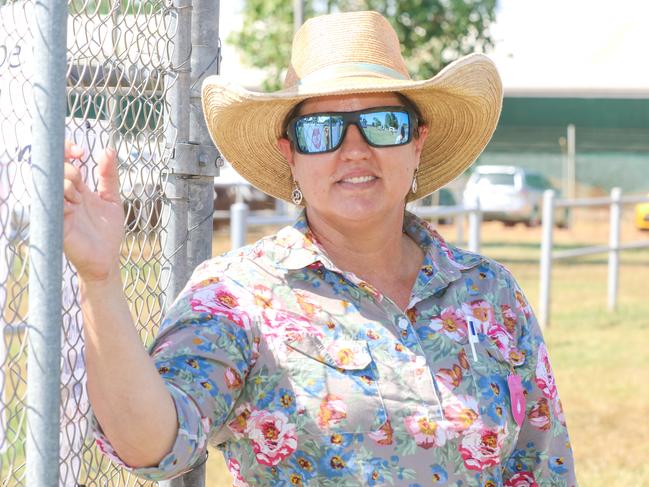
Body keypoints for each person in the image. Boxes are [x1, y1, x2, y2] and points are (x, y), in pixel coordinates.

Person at [62, 10, 577, 486]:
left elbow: (543, 464)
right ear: (290, 154)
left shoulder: (490, 294)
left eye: (381, 124)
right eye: (321, 130)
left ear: (417, 141)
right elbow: (153, 444)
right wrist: (99, 279)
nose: (354, 148)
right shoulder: (238, 295)